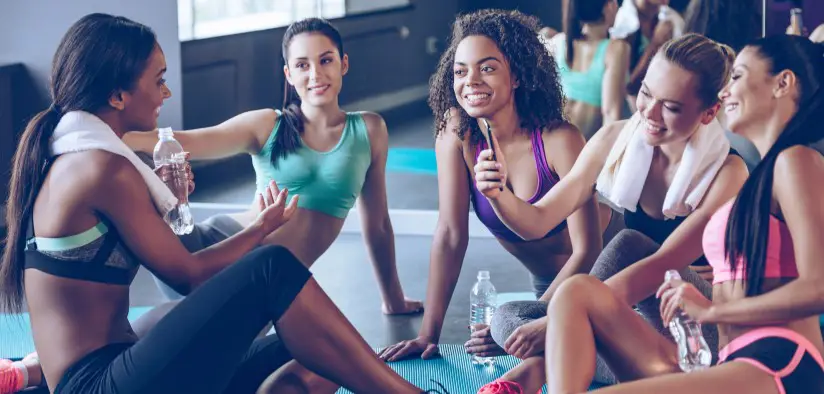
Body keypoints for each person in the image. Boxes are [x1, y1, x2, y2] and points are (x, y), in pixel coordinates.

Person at [0, 13, 446, 394]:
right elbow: (188, 275)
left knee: (319, 344)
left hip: (129, 364)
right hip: (102, 382)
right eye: (158, 81)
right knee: (274, 268)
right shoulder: (99, 168)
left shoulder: (83, 158)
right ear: (117, 96)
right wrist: (261, 226)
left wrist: (169, 200)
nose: (166, 94)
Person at [544, 34, 824, 394]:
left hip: (779, 362)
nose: (724, 94)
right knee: (576, 293)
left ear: (782, 83)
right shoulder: (764, 177)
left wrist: (711, 313)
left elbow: (818, 287)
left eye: (736, 76)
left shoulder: (795, 161)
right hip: (728, 358)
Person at [478, 33, 749, 394]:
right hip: (641, 330)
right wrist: (497, 193)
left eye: (670, 106)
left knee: (629, 244)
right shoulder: (614, 140)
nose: (649, 113)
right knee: (506, 318)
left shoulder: (729, 172)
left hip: (707, 335)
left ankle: (533, 371)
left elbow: (661, 263)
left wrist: (561, 320)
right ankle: (543, 364)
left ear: (710, 112)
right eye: (646, 94)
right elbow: (539, 220)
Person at [124, 17, 423, 316]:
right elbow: (188, 140)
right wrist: (115, 135)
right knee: (130, 181)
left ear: (343, 64)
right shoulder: (268, 125)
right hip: (207, 248)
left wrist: (393, 299)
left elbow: (378, 224)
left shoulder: (370, 130)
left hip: (264, 281)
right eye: (303, 65)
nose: (316, 74)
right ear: (289, 74)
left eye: (326, 60)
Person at [378, 8, 611, 363]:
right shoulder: (457, 132)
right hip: (548, 286)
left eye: (487, 68)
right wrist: (429, 333)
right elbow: (450, 234)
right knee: (521, 343)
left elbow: (588, 250)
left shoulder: (560, 139)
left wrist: (532, 317)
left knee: (527, 340)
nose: (470, 81)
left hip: (605, 272)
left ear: (517, 76)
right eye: (461, 71)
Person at [545, 0, 631, 139]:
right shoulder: (616, 49)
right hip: (583, 148)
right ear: (608, 6)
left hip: (551, 145)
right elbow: (611, 115)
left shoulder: (557, 42)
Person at [610, 0, 686, 112]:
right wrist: (655, 45)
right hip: (627, 112)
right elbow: (626, 87)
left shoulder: (674, 20)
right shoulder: (618, 18)